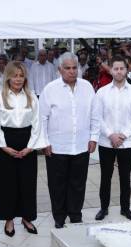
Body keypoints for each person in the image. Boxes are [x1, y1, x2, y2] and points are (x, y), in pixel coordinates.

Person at [39, 52, 99, 228]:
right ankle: (59, 217)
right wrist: (44, 142)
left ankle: (75, 215)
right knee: (57, 185)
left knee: (78, 184)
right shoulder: (50, 89)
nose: (72, 71)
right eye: (67, 68)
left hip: (81, 145)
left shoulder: (87, 87)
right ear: (60, 70)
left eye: (75, 68)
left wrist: (94, 137)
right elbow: (41, 118)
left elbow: (95, 114)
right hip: (57, 147)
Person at [0, 61, 48, 236]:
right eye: (15, 75)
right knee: (7, 184)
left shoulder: (31, 97)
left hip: (27, 144)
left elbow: (37, 125)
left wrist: (30, 148)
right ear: (8, 77)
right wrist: (4, 147)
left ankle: (27, 218)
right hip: (6, 144)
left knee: (27, 183)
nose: (18, 79)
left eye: (21, 76)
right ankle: (9, 220)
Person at [93, 55, 131, 221]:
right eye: (116, 68)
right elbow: (97, 117)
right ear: (111, 70)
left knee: (125, 177)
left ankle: (125, 208)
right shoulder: (102, 92)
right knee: (105, 177)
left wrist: (122, 135)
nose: (119, 71)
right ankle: (103, 208)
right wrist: (110, 135)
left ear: (127, 69)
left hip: (127, 143)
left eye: (122, 68)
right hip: (106, 142)